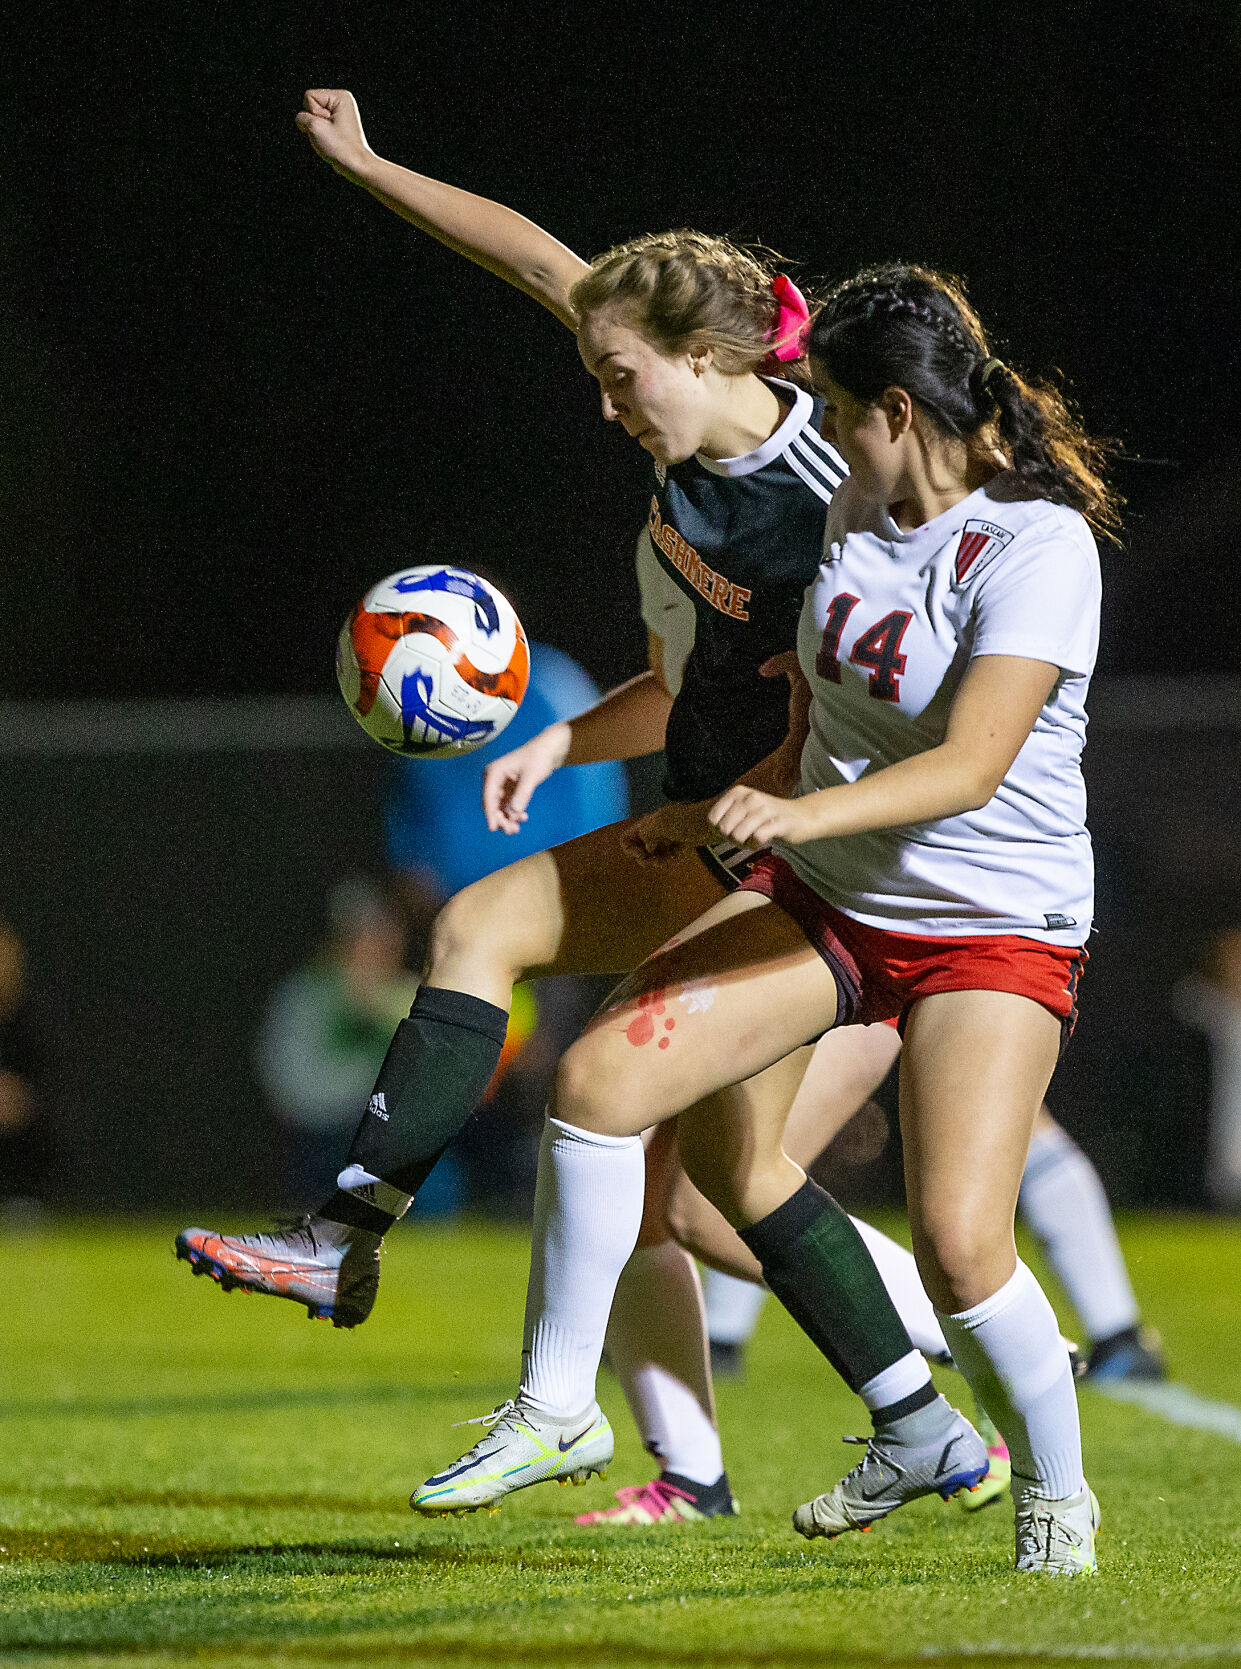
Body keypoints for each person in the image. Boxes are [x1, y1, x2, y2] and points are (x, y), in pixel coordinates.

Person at [178, 89, 989, 1522]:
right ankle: (348, 1242)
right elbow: (536, 258)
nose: (601, 401)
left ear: (705, 354)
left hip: (812, 860)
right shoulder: (687, 432)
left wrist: (758, 805)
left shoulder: (833, 495)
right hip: (713, 825)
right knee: (526, 977)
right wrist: (369, 166)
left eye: (623, 379)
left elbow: (854, 722)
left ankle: (968, 1373)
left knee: (684, 1154)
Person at [412, 264, 1119, 1578]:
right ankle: (562, 1410)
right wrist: (770, 780)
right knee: (598, 1078)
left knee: (963, 1243)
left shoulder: (1037, 544)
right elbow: (815, 706)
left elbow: (970, 762)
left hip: (987, 920)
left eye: (837, 406)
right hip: (835, 901)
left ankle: (1051, 1490)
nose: (814, 426)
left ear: (897, 412)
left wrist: (791, 814)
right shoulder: (852, 502)